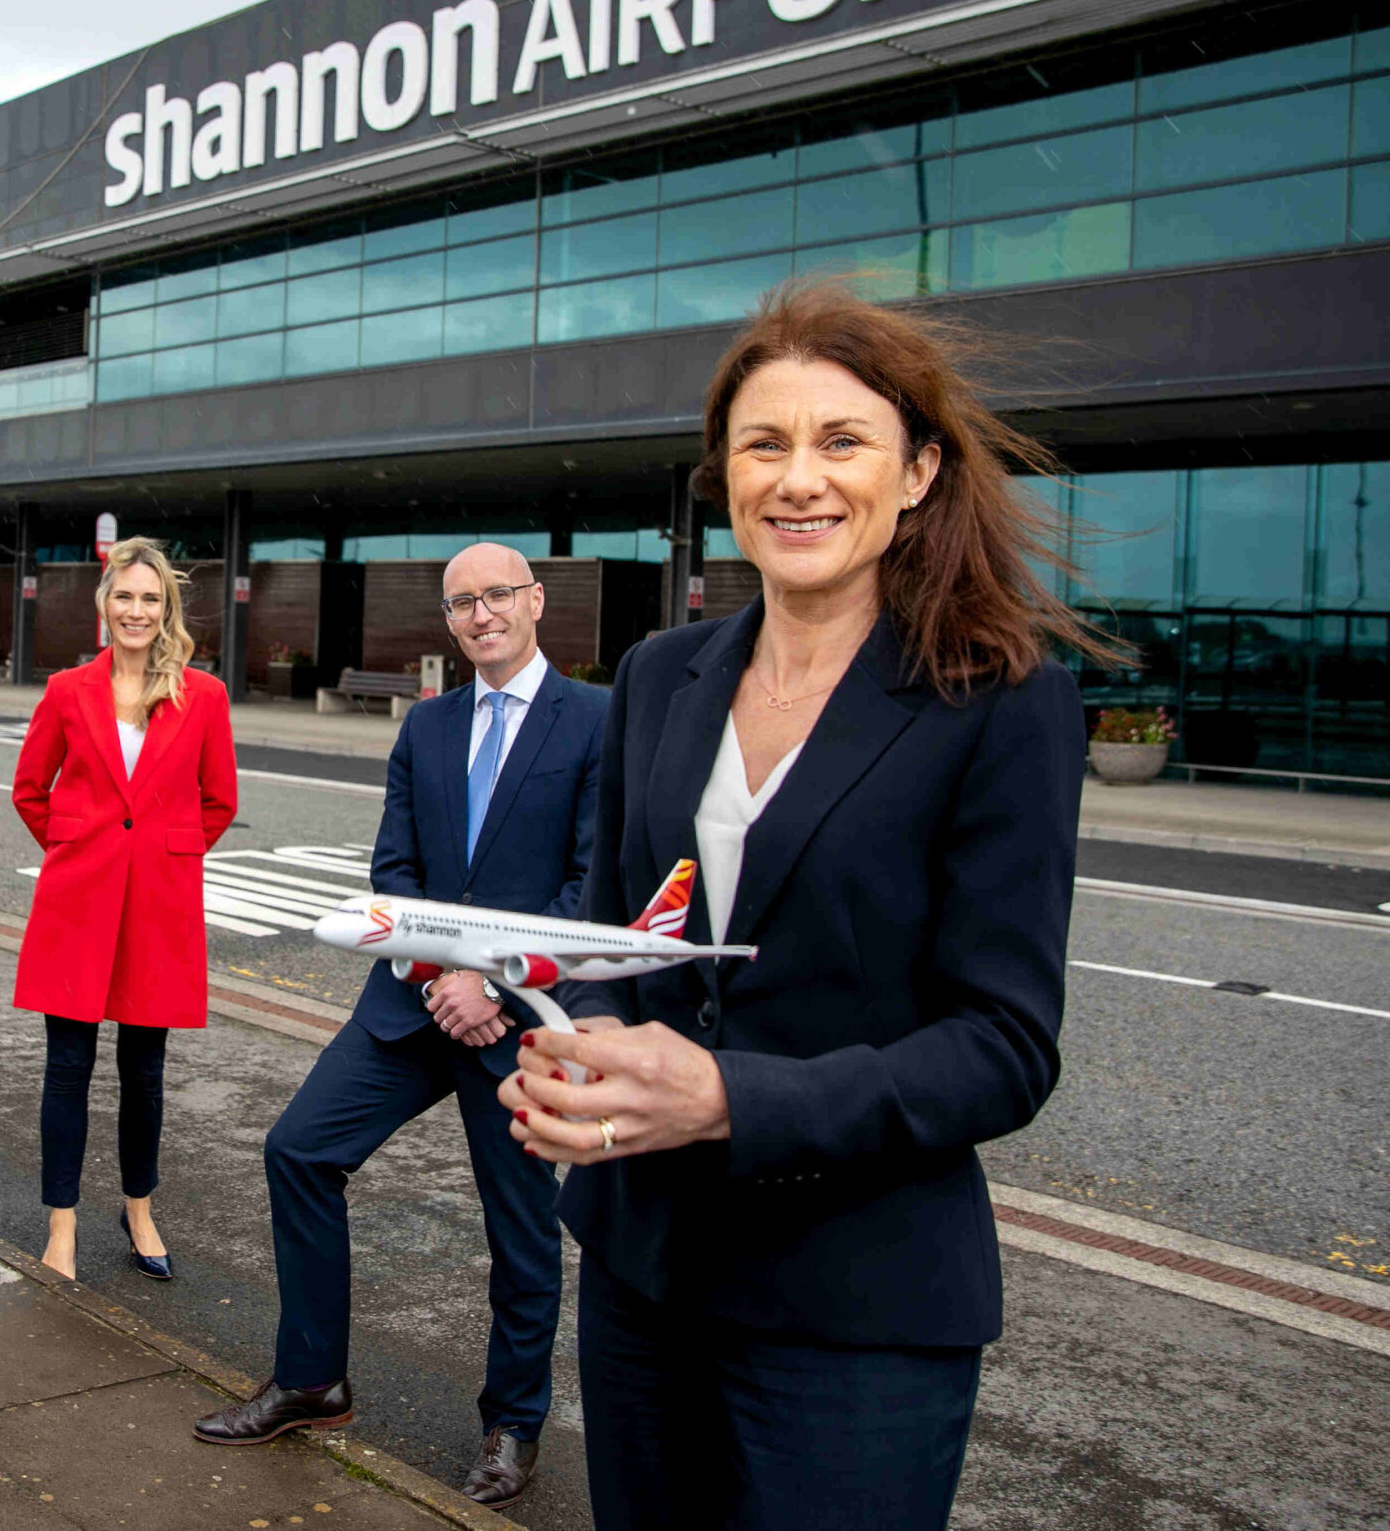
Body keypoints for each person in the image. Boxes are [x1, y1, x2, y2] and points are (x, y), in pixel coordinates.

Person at [501, 283, 1103, 1531]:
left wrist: (728, 1099)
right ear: (724, 475)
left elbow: (1001, 1047)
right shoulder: (662, 676)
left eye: (842, 442)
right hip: (642, 1271)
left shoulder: (1000, 698)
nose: (799, 479)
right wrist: (579, 1054)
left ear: (920, 472)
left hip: (856, 1307)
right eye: (764, 444)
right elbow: (612, 940)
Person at [196, 541, 605, 1510]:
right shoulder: (426, 727)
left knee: (522, 1230)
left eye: (497, 595)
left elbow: (592, 884)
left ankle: (512, 1425)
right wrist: (440, 976)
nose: (480, 614)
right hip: (413, 1004)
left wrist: (495, 989)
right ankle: (311, 1381)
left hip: (513, 1018)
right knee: (298, 1151)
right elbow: (394, 872)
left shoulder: (596, 720)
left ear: (536, 601)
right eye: (462, 602)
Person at [10, 539, 238, 1282]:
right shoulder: (68, 689)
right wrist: (80, 849)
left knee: (144, 1073)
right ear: (104, 605)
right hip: (77, 901)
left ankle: (139, 1207)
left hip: (159, 906)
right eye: (124, 597)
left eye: (150, 599)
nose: (136, 611)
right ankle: (62, 1223)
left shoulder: (202, 695)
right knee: (66, 1068)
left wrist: (162, 857)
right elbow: (30, 788)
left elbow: (218, 800)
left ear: (165, 610)